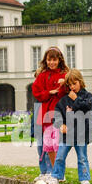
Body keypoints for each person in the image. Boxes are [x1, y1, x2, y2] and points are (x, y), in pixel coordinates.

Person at [46, 69, 92, 184]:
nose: (72, 87)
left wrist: (76, 99)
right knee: (60, 157)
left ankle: (84, 178)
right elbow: (57, 113)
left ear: (80, 82)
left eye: (75, 83)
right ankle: (56, 176)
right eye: (70, 84)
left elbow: (87, 108)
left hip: (81, 134)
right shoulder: (64, 100)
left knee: (82, 158)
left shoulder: (88, 97)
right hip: (67, 135)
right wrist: (61, 124)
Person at [32, 46, 69, 175]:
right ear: (45, 60)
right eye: (49, 60)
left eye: (54, 60)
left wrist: (64, 85)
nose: (51, 62)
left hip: (58, 114)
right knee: (46, 145)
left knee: (57, 145)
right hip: (44, 115)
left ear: (59, 60)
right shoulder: (42, 75)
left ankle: (58, 173)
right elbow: (36, 92)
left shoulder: (64, 75)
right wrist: (49, 92)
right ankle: (50, 172)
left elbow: (67, 94)